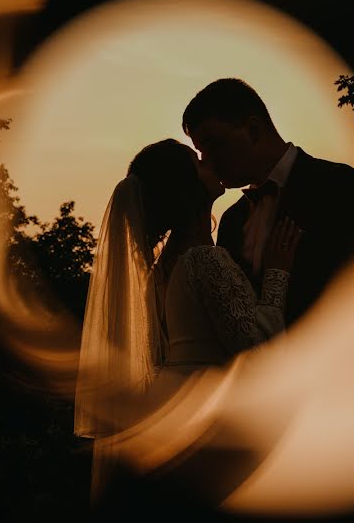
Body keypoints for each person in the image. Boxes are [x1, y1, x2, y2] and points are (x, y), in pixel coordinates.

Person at [73, 138, 303, 510]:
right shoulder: (204, 260)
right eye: (199, 162)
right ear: (185, 186)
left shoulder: (160, 269)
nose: (209, 161)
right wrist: (278, 272)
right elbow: (258, 351)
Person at [182, 78, 354, 329]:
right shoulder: (231, 222)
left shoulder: (344, 187)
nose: (208, 161)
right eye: (200, 151)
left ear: (253, 131)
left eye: (213, 145)